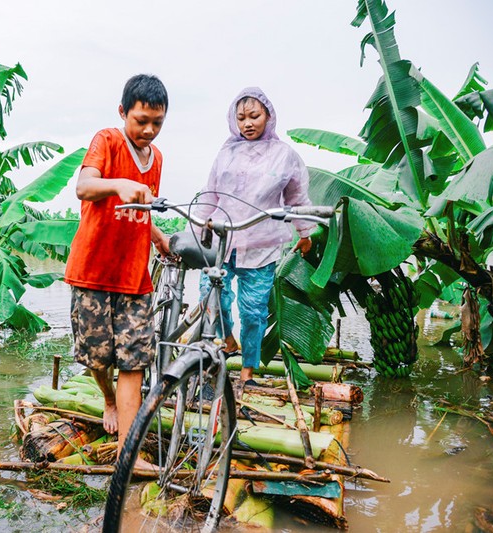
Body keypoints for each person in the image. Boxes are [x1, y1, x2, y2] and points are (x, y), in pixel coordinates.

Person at [64, 74, 170, 464]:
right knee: (98, 357)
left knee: (134, 360)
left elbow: (140, 210)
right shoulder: (107, 140)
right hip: (92, 269)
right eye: (141, 120)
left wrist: (157, 235)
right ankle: (108, 400)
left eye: (157, 123)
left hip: (133, 275)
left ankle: (130, 452)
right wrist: (118, 183)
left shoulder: (156, 158)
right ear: (123, 112)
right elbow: (84, 186)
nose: (149, 130)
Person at [192, 86, 315, 385]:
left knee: (253, 310)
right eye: (241, 117)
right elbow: (211, 194)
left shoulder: (285, 155)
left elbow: (298, 198)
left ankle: (248, 371)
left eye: (254, 116)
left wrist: (305, 232)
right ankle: (228, 339)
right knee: (210, 296)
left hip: (262, 244)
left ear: (268, 116)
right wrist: (196, 232)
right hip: (222, 239)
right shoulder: (226, 152)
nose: (247, 123)